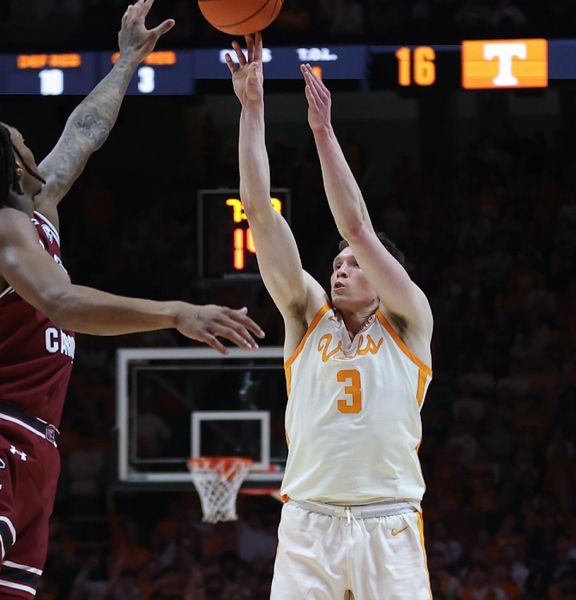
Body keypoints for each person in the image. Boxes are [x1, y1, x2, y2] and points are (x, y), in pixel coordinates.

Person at [0, 3, 265, 599]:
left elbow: (85, 132)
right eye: (22, 144)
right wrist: (175, 312)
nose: (33, 149)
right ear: (9, 165)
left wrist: (127, 60)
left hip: (40, 443)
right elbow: (62, 303)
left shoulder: (37, 211)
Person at [226, 33, 434, 599]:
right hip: (308, 522)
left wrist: (322, 132)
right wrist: (252, 111)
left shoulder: (411, 320)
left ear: (385, 274)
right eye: (335, 265)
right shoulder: (306, 314)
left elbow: (358, 229)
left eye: (353, 266)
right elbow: (260, 216)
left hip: (387, 521)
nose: (340, 270)